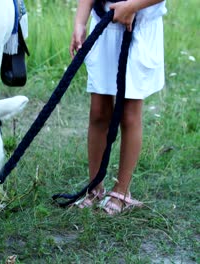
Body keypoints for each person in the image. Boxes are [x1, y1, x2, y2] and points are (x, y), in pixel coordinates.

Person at [69, 0, 167, 214]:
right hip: (104, 24)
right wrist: (80, 22)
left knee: (129, 115)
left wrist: (132, 6)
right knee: (98, 112)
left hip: (138, 26)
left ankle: (121, 191)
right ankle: (94, 187)